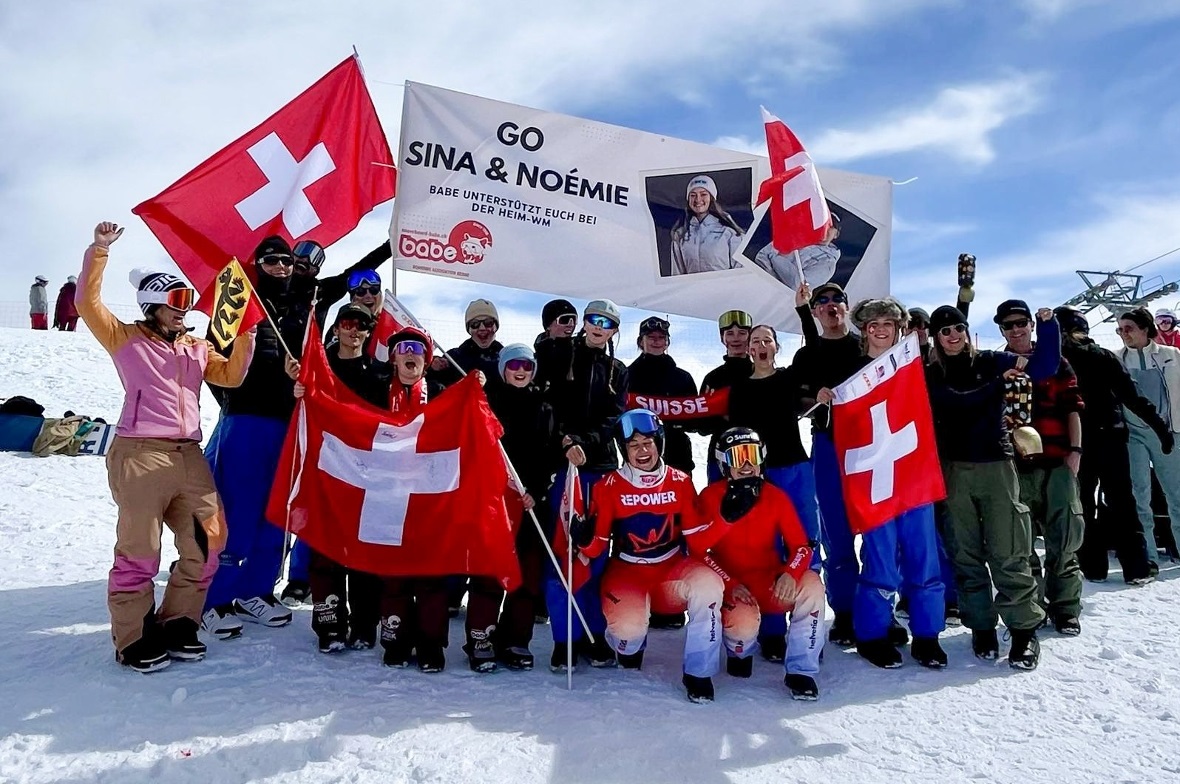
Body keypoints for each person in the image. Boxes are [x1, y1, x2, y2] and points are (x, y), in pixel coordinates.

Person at [76, 221, 254, 672]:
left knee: (208, 541)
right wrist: (99, 251)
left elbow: (231, 376)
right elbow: (86, 304)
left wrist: (246, 338)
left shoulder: (196, 347)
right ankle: (133, 638)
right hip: (140, 454)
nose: (184, 309)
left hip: (188, 457)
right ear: (152, 305)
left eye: (187, 300)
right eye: (176, 301)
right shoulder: (125, 338)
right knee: (140, 550)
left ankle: (178, 622)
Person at [925, 304, 1061, 670]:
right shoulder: (931, 373)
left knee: (1009, 549)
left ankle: (1023, 630)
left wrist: (1048, 327)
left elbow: (1044, 367)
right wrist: (996, 385)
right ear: (936, 338)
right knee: (965, 552)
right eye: (945, 331)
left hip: (996, 465)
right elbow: (950, 400)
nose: (953, 335)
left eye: (958, 328)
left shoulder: (991, 361)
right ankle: (981, 626)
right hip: (953, 470)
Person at [574, 409, 724, 703]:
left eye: (647, 443)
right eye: (633, 445)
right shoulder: (608, 486)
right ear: (623, 449)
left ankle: (699, 672)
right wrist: (583, 539)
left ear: (659, 443)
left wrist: (725, 520)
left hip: (671, 573)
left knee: (709, 586)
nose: (642, 451)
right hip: (629, 573)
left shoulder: (679, 481)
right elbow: (597, 548)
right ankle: (632, 642)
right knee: (627, 638)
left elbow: (696, 543)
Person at [202, 236, 310, 634]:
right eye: (271, 260)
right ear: (257, 264)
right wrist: (234, 400)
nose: (280, 267)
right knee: (238, 510)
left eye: (286, 260)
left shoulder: (302, 308)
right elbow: (210, 361)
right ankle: (214, 597)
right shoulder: (236, 301)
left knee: (277, 511)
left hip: (288, 422)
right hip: (246, 422)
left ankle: (257, 590)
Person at [837, 298, 947, 669]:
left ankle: (927, 636)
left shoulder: (915, 367)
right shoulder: (850, 375)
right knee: (881, 559)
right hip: (875, 479)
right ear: (864, 330)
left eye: (888, 323)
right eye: (873, 324)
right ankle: (872, 635)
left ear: (899, 328)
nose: (881, 329)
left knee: (923, 555)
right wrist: (826, 398)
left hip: (913, 473)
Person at [691, 427, 825, 700]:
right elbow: (697, 549)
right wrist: (729, 583)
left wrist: (790, 573)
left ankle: (801, 671)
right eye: (737, 457)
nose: (746, 464)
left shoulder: (775, 496)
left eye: (752, 455)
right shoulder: (710, 496)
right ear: (724, 464)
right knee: (742, 634)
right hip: (734, 587)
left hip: (769, 582)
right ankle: (738, 650)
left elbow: (801, 546)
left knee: (812, 586)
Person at [289, 304, 390, 653]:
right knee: (325, 551)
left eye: (361, 325)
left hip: (366, 473)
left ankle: (364, 624)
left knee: (363, 551)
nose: (354, 330)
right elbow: (299, 411)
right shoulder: (318, 368)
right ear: (336, 329)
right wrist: (297, 391)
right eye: (347, 323)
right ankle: (330, 625)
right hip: (327, 470)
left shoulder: (380, 373)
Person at [534, 298, 628, 670]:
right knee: (563, 553)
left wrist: (584, 444)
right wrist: (564, 441)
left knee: (595, 553)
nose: (598, 327)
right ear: (584, 322)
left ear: (614, 330)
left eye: (607, 323)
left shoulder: (617, 370)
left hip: (599, 468)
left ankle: (593, 634)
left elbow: (614, 417)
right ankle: (564, 639)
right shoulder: (558, 353)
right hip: (563, 468)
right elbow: (546, 404)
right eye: (593, 320)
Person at [1054, 306, 1172, 585]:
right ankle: (1136, 568)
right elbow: (1132, 395)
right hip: (1111, 435)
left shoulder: (1055, 360)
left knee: (1082, 502)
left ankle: (1092, 566)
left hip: (1076, 441)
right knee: (1121, 500)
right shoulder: (1103, 356)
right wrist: (1160, 428)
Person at [726, 324, 819, 662]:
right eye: (756, 341)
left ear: (776, 347)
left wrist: (818, 397)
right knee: (770, 552)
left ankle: (807, 629)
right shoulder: (740, 388)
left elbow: (814, 351)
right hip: (761, 476)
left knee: (807, 545)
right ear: (749, 350)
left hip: (795, 468)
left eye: (767, 340)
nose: (762, 345)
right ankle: (773, 632)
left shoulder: (789, 378)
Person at [789, 282, 872, 647]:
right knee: (836, 533)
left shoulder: (865, 347)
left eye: (837, 299)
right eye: (822, 301)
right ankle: (846, 613)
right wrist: (815, 398)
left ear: (847, 307)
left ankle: (877, 609)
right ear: (816, 311)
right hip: (827, 444)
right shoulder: (807, 355)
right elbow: (795, 401)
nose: (831, 305)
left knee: (877, 533)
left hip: (869, 447)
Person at [996, 299, 1085, 636]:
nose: (1016, 329)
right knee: (1020, 543)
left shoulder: (1056, 361)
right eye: (1008, 325)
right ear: (1001, 330)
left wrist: (1075, 451)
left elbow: (1072, 407)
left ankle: (1066, 608)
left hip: (1057, 460)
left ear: (1031, 325)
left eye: (1021, 322)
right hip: (1017, 466)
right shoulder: (999, 364)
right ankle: (1033, 607)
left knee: (1065, 538)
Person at [377, 326, 460, 672]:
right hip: (388, 494)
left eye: (417, 349)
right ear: (393, 358)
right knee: (393, 574)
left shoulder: (442, 393)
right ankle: (396, 639)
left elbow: (468, 425)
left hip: (430, 495)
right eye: (403, 348)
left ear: (427, 360)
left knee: (431, 576)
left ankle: (431, 643)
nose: (410, 354)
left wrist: (479, 390)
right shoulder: (377, 392)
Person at [484, 343, 560, 671]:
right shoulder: (487, 404)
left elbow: (550, 454)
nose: (520, 371)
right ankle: (482, 636)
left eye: (527, 366)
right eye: (514, 364)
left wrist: (537, 490)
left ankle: (516, 639)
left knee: (527, 574)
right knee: (491, 572)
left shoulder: (544, 407)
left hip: (531, 503)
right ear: (503, 368)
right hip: (495, 500)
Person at [1116, 308, 1180, 569]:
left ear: (1145, 328)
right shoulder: (1116, 359)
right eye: (1120, 330)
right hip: (1133, 434)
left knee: (1176, 494)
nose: (1124, 334)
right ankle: (1148, 556)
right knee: (1139, 495)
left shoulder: (1171, 355)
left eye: (1129, 328)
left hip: (1168, 431)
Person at [625, 316, 697, 475]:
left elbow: (695, 422)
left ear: (667, 342)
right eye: (651, 337)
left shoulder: (683, 378)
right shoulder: (626, 376)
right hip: (640, 455)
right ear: (641, 341)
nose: (656, 341)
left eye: (661, 337)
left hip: (677, 456)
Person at [699, 309, 754, 483]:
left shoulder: (760, 372)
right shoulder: (713, 378)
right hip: (720, 455)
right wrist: (716, 413)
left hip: (755, 455)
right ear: (722, 338)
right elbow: (702, 427)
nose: (736, 338)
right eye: (730, 333)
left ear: (750, 336)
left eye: (742, 333)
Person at [669, 175, 743, 275]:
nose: (698, 199)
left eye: (703, 194)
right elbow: (676, 275)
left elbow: (740, 274)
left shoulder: (729, 234)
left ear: (711, 198)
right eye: (693, 195)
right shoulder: (680, 235)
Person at [752, 213, 841, 290]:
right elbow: (761, 256)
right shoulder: (796, 235)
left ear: (836, 235)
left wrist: (774, 257)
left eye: (831, 226)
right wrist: (770, 274)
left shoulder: (828, 263)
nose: (825, 228)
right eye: (822, 223)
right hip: (755, 279)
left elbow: (797, 285)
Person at [430, 298, 504, 388]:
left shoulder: (507, 359)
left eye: (488, 323)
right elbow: (430, 384)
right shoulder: (453, 358)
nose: (482, 328)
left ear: (496, 326)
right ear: (469, 329)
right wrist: (432, 367)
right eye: (475, 324)